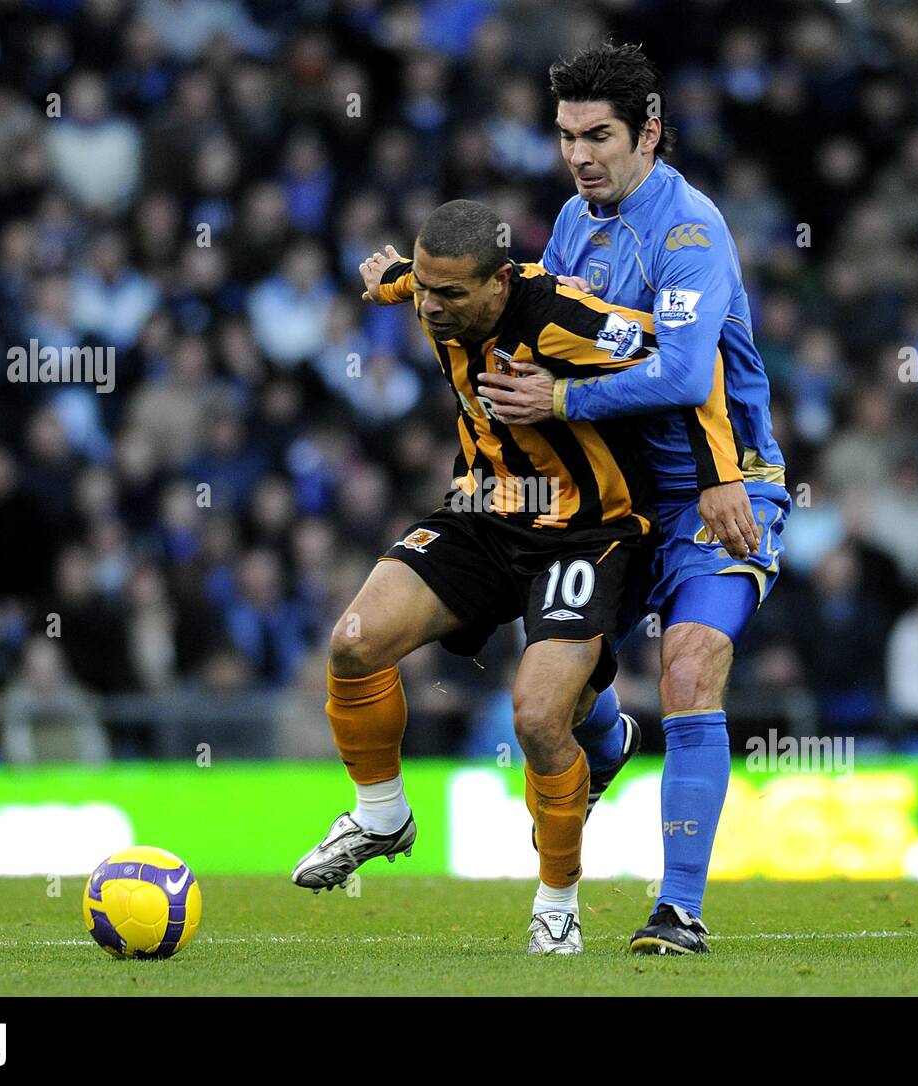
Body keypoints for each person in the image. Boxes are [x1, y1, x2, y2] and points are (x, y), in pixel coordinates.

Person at [477, 43, 790, 954]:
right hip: (612, 504)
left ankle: (678, 910)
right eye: (567, 134)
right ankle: (606, 737)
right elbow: (540, 326)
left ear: (648, 131)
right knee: (557, 695)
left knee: (691, 663)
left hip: (718, 490)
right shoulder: (573, 224)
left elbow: (690, 372)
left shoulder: (689, 232)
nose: (580, 154)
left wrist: (564, 399)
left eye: (600, 135)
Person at [292, 198, 665, 954]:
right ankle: (381, 814)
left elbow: (681, 359)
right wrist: (388, 277)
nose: (430, 307)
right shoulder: (427, 288)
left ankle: (557, 904)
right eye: (422, 289)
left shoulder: (563, 316)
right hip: (481, 515)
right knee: (355, 641)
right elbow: (399, 279)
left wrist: (564, 396)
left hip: (582, 534)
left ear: (499, 283)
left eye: (449, 295)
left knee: (535, 718)